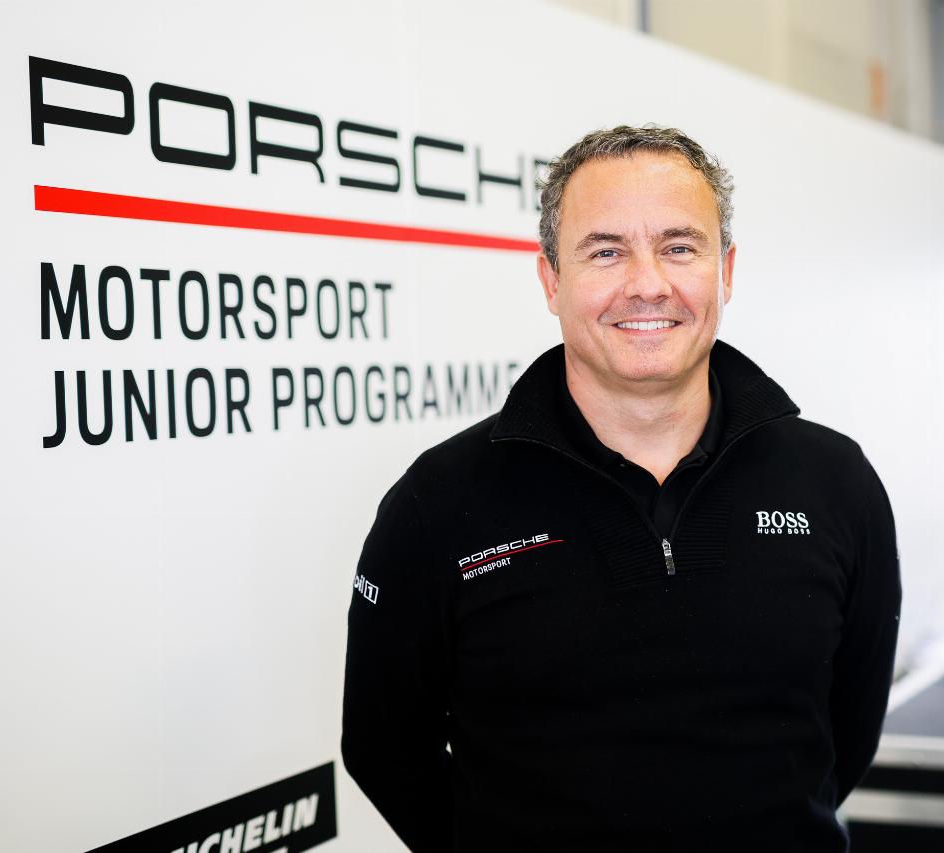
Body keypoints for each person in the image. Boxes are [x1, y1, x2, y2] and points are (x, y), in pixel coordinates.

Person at [341, 125, 901, 852]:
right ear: (551, 281)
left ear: (726, 270)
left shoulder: (835, 482)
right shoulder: (439, 503)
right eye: (606, 251)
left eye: (679, 247)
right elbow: (383, 748)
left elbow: (846, 734)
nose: (647, 283)